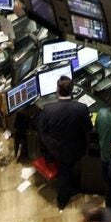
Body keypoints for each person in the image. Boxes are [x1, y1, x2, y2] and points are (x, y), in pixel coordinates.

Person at [35, 75, 92, 210]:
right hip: (77, 148)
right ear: (72, 90)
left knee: (65, 172)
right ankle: (67, 193)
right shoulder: (82, 108)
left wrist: (49, 145)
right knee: (68, 171)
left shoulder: (48, 109)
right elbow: (88, 128)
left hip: (57, 150)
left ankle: (62, 201)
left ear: (57, 90)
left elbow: (41, 130)